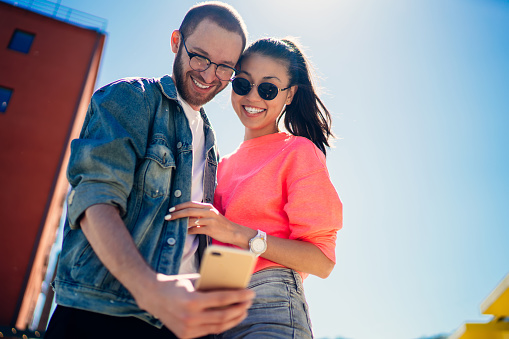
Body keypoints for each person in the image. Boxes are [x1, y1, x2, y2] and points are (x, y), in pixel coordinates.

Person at [45, 2, 255, 339]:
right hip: (103, 315)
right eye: (199, 56)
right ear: (176, 42)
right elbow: (95, 196)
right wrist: (150, 289)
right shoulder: (130, 97)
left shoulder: (211, 144)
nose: (208, 74)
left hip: (174, 327)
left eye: (224, 67)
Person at [167, 38, 343, 338]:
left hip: (268, 303)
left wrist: (237, 233)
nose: (253, 96)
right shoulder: (218, 165)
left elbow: (322, 260)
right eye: (243, 83)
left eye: (268, 89)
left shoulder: (298, 152)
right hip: (212, 310)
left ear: (290, 95)